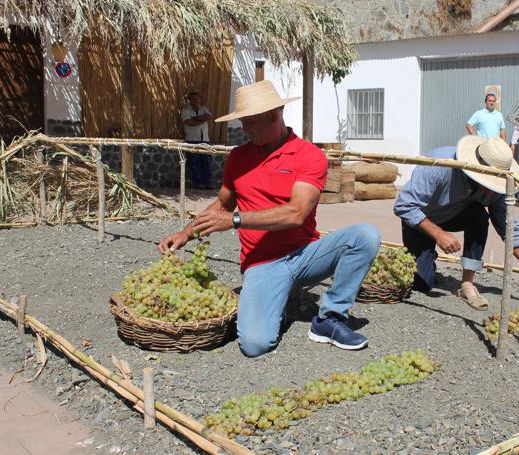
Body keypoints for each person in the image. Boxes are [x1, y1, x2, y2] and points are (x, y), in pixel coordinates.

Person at [159, 80, 380, 357]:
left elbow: (296, 213)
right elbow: (221, 205)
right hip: (262, 263)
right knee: (255, 345)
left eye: (251, 123)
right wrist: (186, 232)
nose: (244, 130)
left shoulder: (308, 156)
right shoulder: (238, 157)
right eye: (242, 123)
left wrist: (236, 221)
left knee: (365, 235)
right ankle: (279, 300)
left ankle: (330, 318)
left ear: (274, 115)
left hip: (306, 255)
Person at [393, 135, 519, 310]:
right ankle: (427, 255)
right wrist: (438, 234)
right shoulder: (439, 167)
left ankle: (467, 284)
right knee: (423, 284)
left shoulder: (497, 189)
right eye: (486, 185)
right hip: (421, 219)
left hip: (454, 215)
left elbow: (510, 231)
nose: (489, 192)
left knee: (479, 216)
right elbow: (404, 206)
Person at [181, 91, 213, 189]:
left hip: (205, 139)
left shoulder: (204, 109)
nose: (196, 100)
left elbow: (209, 117)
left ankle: (207, 183)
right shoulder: (185, 110)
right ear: (189, 100)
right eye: (193, 98)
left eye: (197, 98)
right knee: (195, 162)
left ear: (200, 99)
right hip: (192, 139)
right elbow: (188, 122)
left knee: (206, 162)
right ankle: (198, 183)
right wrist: (202, 120)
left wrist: (195, 119)